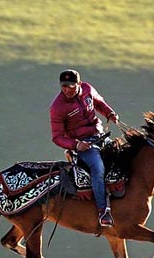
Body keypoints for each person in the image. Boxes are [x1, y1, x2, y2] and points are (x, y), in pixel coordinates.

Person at [49, 69, 120, 227]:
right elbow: (57, 137)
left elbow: (99, 103)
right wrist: (76, 145)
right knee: (98, 168)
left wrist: (110, 113)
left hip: (99, 135)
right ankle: (103, 211)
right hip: (83, 144)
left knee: (122, 156)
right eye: (63, 86)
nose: (66, 90)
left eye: (70, 86)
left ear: (79, 84)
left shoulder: (87, 89)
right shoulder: (57, 108)